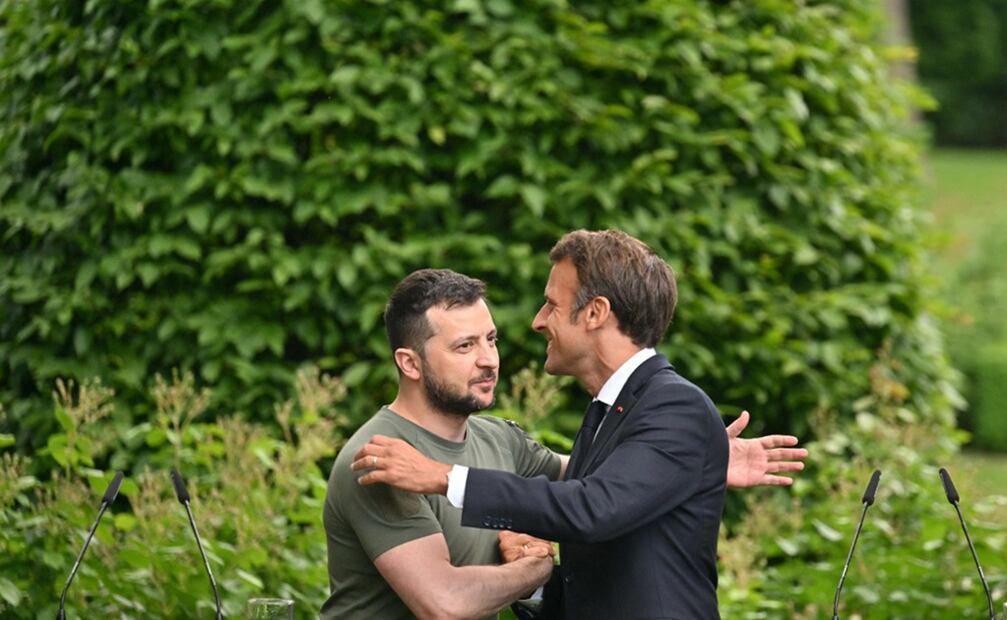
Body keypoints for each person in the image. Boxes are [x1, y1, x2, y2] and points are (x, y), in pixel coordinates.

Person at [352, 230, 807, 619]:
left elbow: (590, 509)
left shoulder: (674, 405)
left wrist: (441, 476)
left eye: (551, 304)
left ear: (595, 313)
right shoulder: (610, 412)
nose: (537, 321)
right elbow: (601, 558)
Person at [321, 269, 556, 619]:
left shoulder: (500, 440)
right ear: (410, 364)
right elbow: (445, 604)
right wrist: (537, 568)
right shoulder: (380, 459)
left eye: (491, 340)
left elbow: (597, 481)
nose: (489, 360)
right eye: (465, 346)